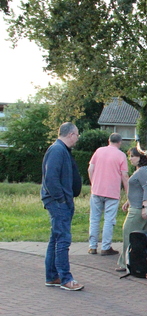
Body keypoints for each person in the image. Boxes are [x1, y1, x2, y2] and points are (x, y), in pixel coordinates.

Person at [41, 122, 84, 291]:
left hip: (61, 201)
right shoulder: (58, 150)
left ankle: (52, 276)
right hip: (59, 202)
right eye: (77, 135)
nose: (78, 138)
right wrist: (61, 200)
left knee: (56, 239)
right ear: (71, 134)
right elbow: (51, 178)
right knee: (63, 240)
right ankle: (65, 278)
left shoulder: (61, 150)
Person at [87, 133, 129, 256]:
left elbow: (90, 169)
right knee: (109, 220)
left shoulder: (99, 151)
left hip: (97, 190)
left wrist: (93, 183)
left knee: (94, 218)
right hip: (112, 192)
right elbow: (125, 176)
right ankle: (106, 247)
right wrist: (128, 194)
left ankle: (92, 246)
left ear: (109, 140)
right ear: (120, 142)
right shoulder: (121, 155)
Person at [117, 148, 147, 272]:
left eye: (133, 156)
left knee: (128, 233)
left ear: (140, 157)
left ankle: (125, 263)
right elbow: (137, 189)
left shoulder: (143, 171)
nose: (130, 158)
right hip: (137, 206)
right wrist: (128, 201)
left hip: (138, 209)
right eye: (130, 156)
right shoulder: (142, 170)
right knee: (144, 236)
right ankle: (141, 263)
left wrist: (144, 207)